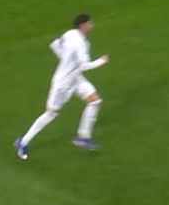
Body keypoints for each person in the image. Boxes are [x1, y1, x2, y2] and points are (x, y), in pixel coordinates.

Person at [15, 14, 108, 158]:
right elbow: (84, 65)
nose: (92, 25)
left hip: (75, 78)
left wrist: (66, 61)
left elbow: (55, 45)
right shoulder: (81, 44)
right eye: (90, 23)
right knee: (51, 114)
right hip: (63, 83)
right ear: (82, 26)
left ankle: (83, 137)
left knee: (95, 101)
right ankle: (23, 142)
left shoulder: (69, 34)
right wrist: (101, 61)